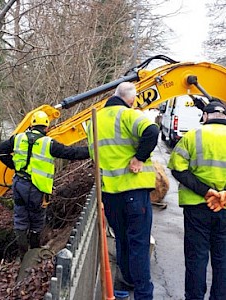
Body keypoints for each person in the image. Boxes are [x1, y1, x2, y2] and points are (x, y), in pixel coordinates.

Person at [87, 82, 159, 299]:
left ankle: (125, 282)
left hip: (109, 194)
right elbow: (152, 130)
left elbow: (94, 156)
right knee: (139, 243)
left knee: (122, 240)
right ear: (132, 99)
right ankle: (143, 294)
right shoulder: (127, 115)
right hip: (134, 192)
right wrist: (139, 158)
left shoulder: (94, 121)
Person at [0, 110, 89, 258]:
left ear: (31, 125)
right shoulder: (48, 143)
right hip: (36, 188)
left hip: (19, 183)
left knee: (20, 217)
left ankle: (22, 253)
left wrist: (14, 166)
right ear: (46, 128)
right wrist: (91, 150)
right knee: (37, 219)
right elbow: (72, 153)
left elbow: (0, 151)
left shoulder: (18, 138)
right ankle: (33, 252)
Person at [168, 100, 226, 300]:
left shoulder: (192, 136)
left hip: (197, 208)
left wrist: (206, 191)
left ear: (205, 116)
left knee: (196, 258)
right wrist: (222, 193)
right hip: (225, 208)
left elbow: (177, 168)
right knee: (223, 259)